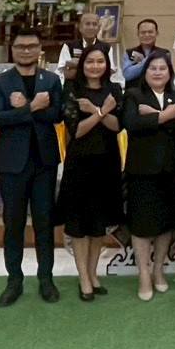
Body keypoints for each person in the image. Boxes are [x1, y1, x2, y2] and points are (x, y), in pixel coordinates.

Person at [0, 29, 64, 306]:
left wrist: (24, 108)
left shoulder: (51, 80)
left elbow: (57, 114)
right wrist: (32, 108)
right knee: (13, 223)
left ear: (39, 49)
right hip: (11, 162)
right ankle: (14, 280)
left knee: (44, 222)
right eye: (21, 46)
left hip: (43, 161)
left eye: (31, 46)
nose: (26, 50)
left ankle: (46, 278)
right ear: (13, 49)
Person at [57, 45, 123, 303]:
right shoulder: (72, 89)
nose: (95, 66)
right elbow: (77, 131)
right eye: (90, 62)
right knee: (80, 224)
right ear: (82, 64)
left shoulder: (114, 89)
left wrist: (96, 111)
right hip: (80, 163)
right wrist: (102, 111)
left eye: (100, 61)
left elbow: (117, 126)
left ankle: (93, 273)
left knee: (99, 223)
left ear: (107, 65)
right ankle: (83, 276)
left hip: (107, 162)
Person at [122, 54, 175, 301]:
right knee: (141, 225)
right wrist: (164, 116)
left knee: (165, 223)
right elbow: (132, 124)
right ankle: (143, 273)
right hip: (141, 170)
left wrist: (152, 116)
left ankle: (159, 270)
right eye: (153, 68)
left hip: (169, 170)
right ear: (145, 72)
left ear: (170, 73)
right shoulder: (133, 95)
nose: (158, 72)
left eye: (163, 68)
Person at [59, 10, 113, 80]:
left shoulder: (106, 48)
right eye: (87, 24)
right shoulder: (68, 46)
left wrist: (77, 65)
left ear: (99, 28)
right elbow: (65, 72)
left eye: (94, 24)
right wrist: (96, 69)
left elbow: (109, 71)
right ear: (80, 28)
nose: (91, 27)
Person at [122, 18, 170, 84]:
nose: (146, 35)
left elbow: (167, 76)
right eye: (143, 32)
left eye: (150, 32)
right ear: (138, 34)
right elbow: (127, 75)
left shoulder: (165, 53)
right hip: (134, 89)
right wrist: (147, 60)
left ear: (157, 33)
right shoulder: (129, 52)